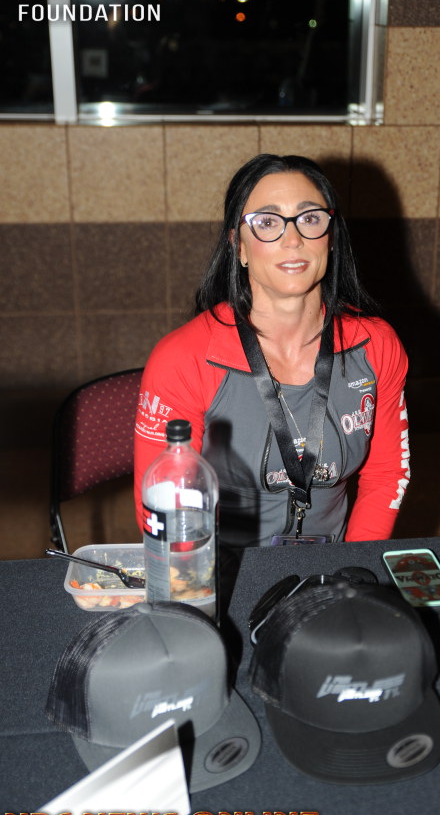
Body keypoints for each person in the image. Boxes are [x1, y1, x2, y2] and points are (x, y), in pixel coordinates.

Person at [134, 153, 410, 553]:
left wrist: (353, 566)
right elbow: (165, 512)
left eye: (310, 218)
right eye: (267, 223)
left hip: (333, 564)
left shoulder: (376, 344)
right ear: (239, 246)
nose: (293, 239)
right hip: (221, 569)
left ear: (331, 237)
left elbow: (385, 474)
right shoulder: (183, 358)